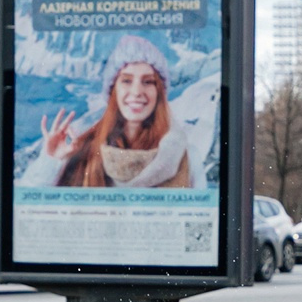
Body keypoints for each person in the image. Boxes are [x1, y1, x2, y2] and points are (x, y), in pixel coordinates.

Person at [27, 33, 195, 188]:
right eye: (127, 81)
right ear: (113, 90)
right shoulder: (81, 151)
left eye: (148, 82)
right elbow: (27, 208)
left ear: (159, 92)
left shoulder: (184, 156)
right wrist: (51, 161)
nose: (137, 92)